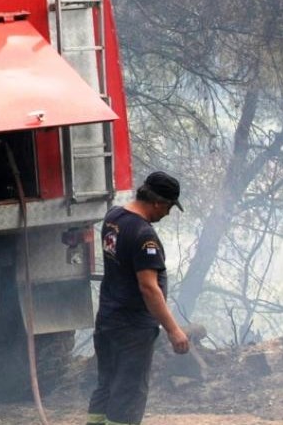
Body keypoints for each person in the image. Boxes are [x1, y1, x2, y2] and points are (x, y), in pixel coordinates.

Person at [86, 171, 191, 425]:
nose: (167, 214)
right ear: (158, 203)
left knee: (106, 385)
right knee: (128, 394)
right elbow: (149, 288)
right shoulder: (144, 236)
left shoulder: (113, 218)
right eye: (168, 208)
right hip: (132, 329)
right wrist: (174, 330)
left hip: (107, 320)